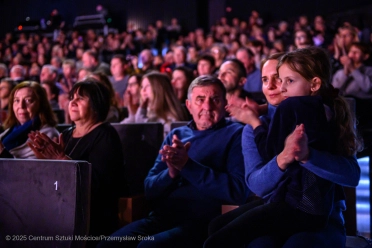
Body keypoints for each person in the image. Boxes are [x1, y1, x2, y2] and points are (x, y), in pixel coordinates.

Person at [204, 50, 361, 248]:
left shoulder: (328, 112)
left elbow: (352, 175)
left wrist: (306, 156)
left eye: (279, 79)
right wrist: (282, 156)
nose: (271, 86)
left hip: (319, 214)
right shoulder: (256, 125)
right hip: (277, 206)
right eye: (264, 79)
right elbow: (257, 185)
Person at [99, 75, 250, 248]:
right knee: (108, 245)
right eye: (200, 100)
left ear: (225, 104)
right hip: (161, 217)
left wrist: (187, 166)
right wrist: (171, 173)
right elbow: (149, 189)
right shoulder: (176, 135)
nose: (207, 106)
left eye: (215, 99)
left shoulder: (236, 134)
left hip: (204, 222)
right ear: (189, 105)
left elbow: (237, 190)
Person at [27, 79, 124, 247]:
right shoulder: (67, 134)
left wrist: (62, 160)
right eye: (71, 97)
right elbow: (57, 183)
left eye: (80, 98)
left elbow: (99, 186)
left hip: (92, 216)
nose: (73, 101)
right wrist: (46, 162)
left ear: (96, 104)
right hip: (61, 207)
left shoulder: (106, 135)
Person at [0, 81, 59, 158]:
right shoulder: (9, 130)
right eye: (17, 100)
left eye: (28, 100)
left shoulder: (48, 135)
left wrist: (3, 153)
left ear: (41, 104)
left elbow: (33, 169)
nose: (21, 106)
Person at [120, 72, 188, 136]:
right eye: (142, 86)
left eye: (147, 86)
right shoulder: (147, 112)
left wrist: (141, 111)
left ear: (159, 89)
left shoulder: (170, 119)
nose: (143, 90)